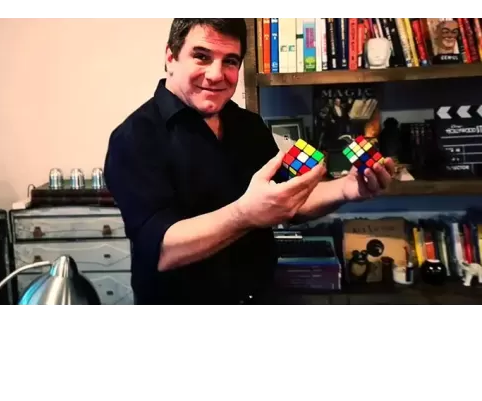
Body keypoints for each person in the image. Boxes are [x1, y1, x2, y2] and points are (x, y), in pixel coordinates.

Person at [103, 18, 395, 305]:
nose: (216, 74)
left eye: (230, 61)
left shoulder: (248, 125)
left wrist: (346, 188)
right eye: (202, 56)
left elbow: (288, 201)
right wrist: (245, 215)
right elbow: (162, 250)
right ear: (171, 57)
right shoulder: (134, 137)